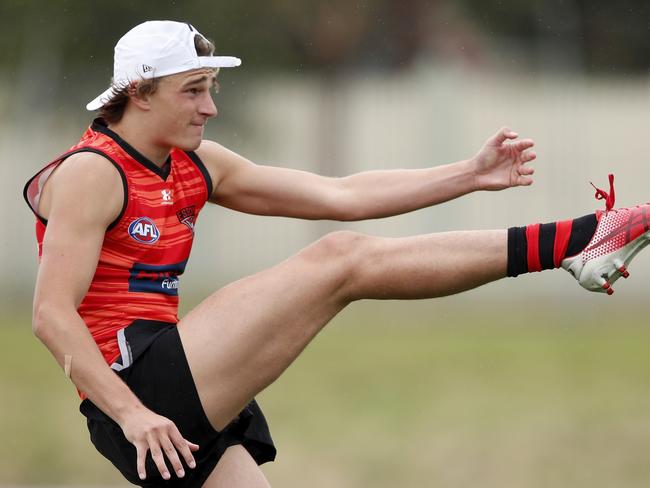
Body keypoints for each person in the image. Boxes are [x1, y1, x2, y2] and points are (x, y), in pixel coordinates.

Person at [23, 20, 650, 488]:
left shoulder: (195, 164)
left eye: (211, 88)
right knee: (341, 260)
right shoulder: (93, 172)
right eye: (193, 90)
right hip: (136, 391)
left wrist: (468, 173)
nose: (210, 106)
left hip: (180, 384)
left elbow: (339, 193)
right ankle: (581, 239)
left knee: (342, 247)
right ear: (138, 92)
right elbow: (52, 315)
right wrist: (133, 415)